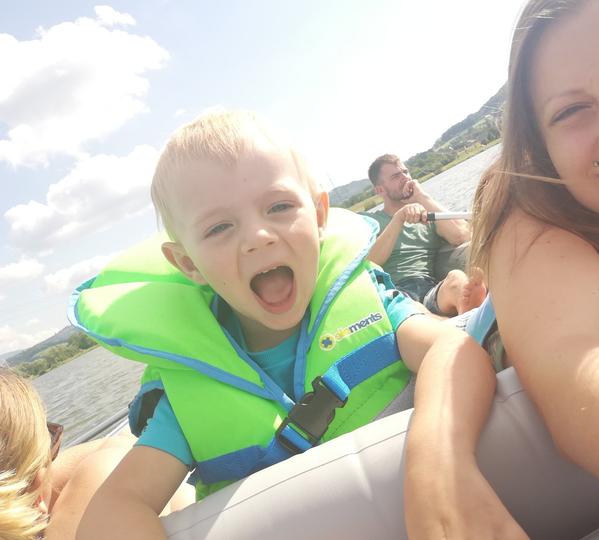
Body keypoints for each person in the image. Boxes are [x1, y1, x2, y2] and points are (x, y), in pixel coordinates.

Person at [74, 110, 493, 539]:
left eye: (279, 206)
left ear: (319, 215)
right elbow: (113, 509)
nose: (259, 237)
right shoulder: (186, 399)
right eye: (219, 228)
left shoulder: (375, 303)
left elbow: (451, 350)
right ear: (188, 264)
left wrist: (439, 461)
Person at [405, 0, 599, 537]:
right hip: (469, 339)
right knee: (428, 328)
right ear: (541, 145)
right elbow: (590, 383)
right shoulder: (527, 210)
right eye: (572, 110)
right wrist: (436, 461)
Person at [0, 369, 191, 540]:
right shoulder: (100, 473)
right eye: (52, 440)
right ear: (37, 498)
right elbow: (112, 460)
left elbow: (113, 444)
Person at [363, 154, 486, 316]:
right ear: (380, 190)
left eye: (405, 172)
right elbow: (371, 261)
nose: (405, 177)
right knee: (417, 308)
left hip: (429, 289)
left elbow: (462, 236)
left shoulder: (426, 214)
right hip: (399, 296)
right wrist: (399, 218)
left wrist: (421, 197)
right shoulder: (371, 222)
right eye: (396, 176)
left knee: (456, 279)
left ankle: (472, 320)